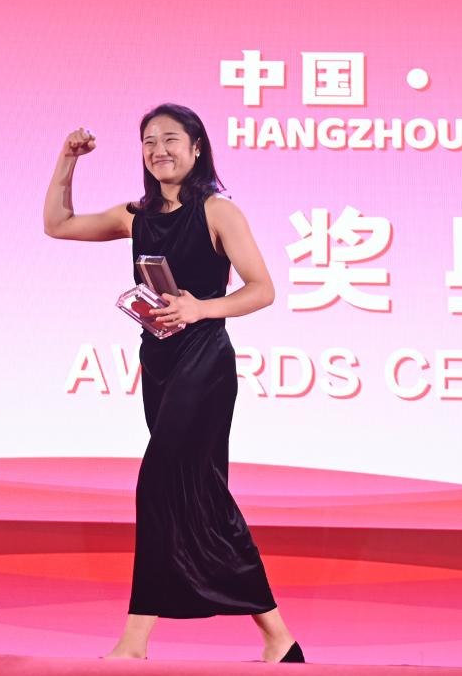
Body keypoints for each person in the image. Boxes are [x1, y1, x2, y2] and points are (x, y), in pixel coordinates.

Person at [42, 104, 304, 664]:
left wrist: (200, 308)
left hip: (204, 362)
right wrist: (67, 159)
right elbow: (58, 225)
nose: (158, 150)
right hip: (159, 362)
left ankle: (135, 640)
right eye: (148, 141)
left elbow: (262, 289)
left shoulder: (218, 211)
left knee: (158, 485)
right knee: (202, 495)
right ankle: (279, 638)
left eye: (170, 139)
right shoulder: (135, 216)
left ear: (196, 147)